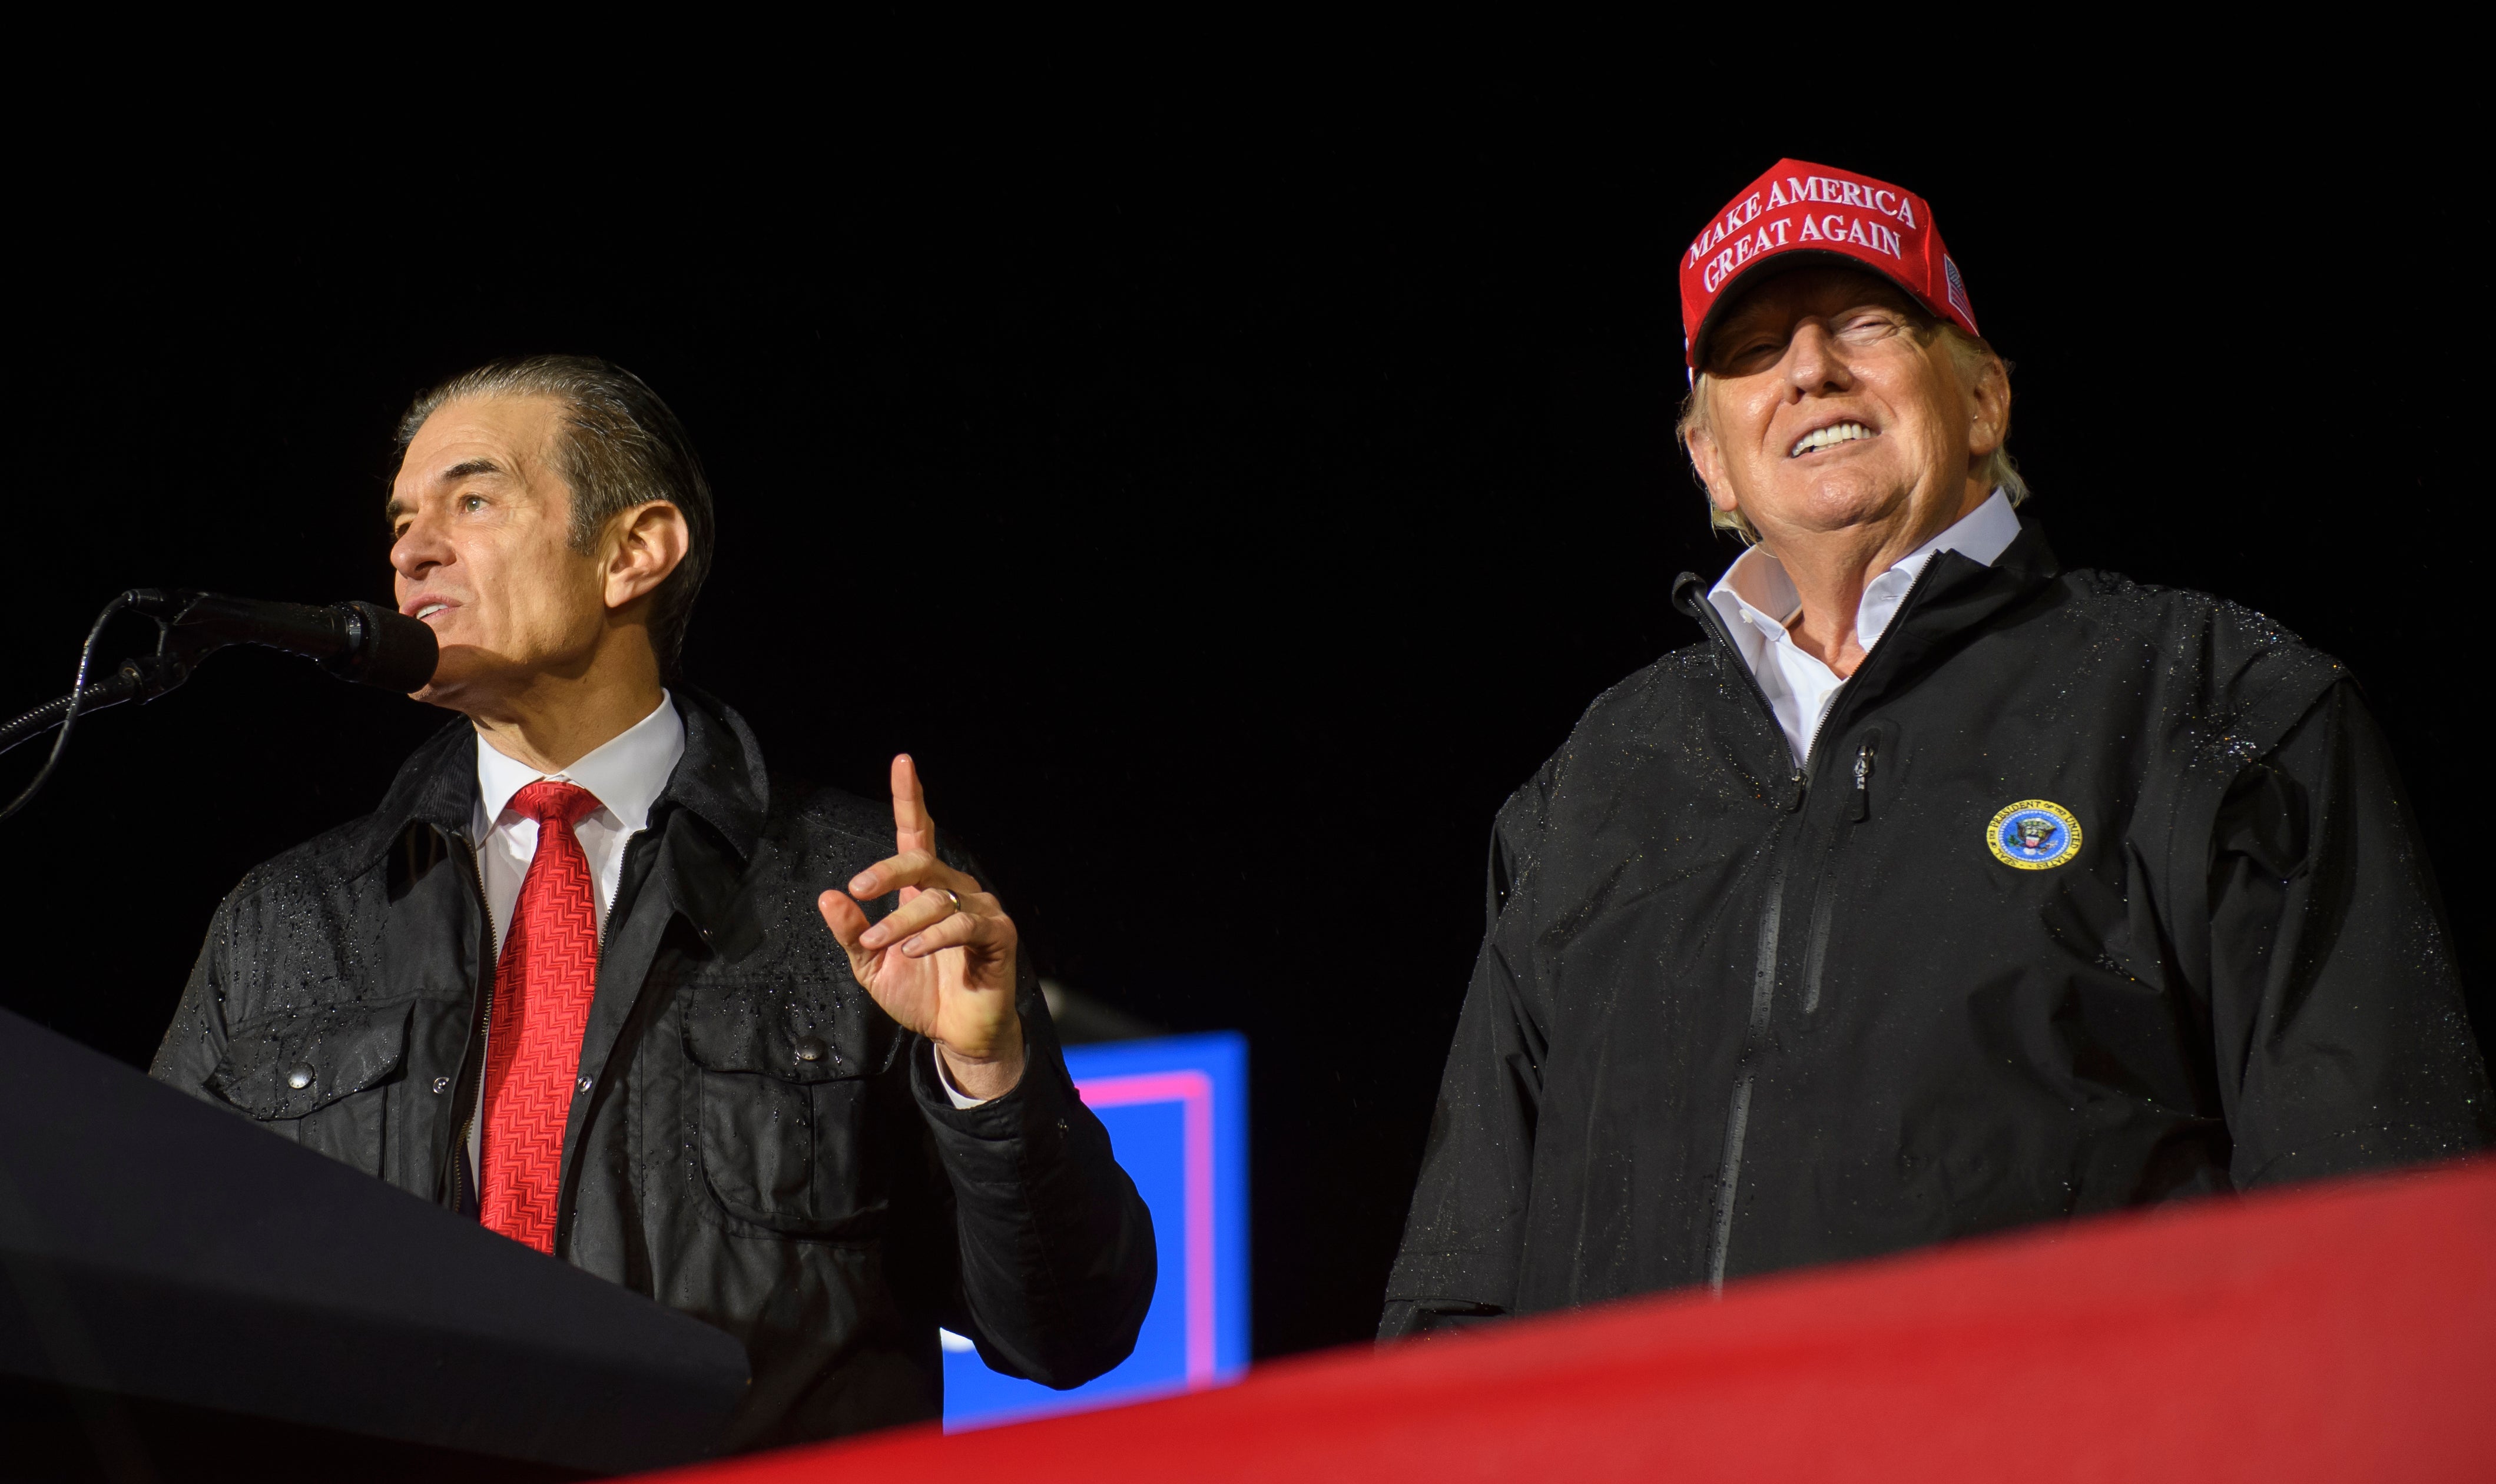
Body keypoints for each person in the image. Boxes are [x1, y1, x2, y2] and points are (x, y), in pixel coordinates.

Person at [1380, 160, 2493, 1336]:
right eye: (1751, 352)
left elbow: (2386, 1234)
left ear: (1980, 400)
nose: (1808, 369)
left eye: (1865, 322)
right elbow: (1459, 1289)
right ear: (1708, 456)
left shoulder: (2213, 702)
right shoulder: (1584, 793)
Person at [150, 356, 1154, 1446]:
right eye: (401, 518)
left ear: (634, 552)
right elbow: (142, 1296)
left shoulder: (864, 893)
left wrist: (985, 1076)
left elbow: (1070, 1331)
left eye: (472, 499)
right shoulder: (287, 921)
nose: (410, 549)